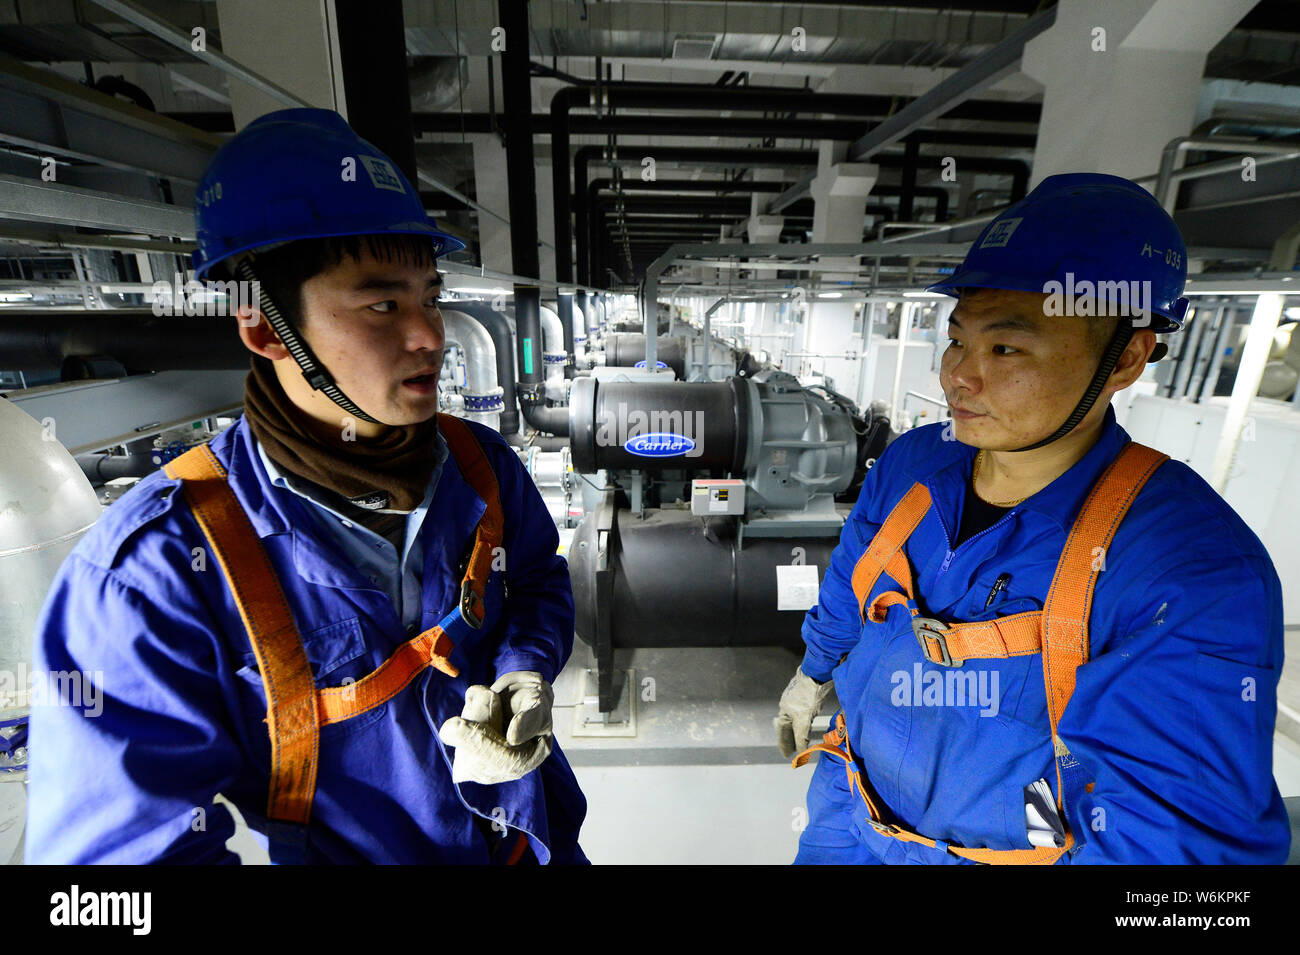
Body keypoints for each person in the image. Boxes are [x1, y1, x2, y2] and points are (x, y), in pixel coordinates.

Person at [26, 108, 587, 864]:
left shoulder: (480, 467)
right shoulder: (153, 574)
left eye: (429, 294)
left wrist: (524, 664)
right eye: (382, 304)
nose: (429, 333)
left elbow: (539, 579)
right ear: (265, 330)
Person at [778, 172, 1289, 864]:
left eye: (1006, 348)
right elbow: (853, 575)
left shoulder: (1186, 571)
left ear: (1127, 357)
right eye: (959, 339)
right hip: (847, 816)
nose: (959, 374)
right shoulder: (913, 464)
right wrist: (813, 669)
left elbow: (1171, 859)